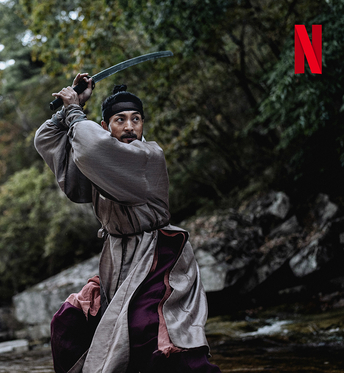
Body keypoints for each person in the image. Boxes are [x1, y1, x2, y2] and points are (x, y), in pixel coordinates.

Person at [34, 73, 221, 373]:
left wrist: (74, 112)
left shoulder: (148, 155)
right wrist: (69, 108)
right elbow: (47, 139)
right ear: (105, 126)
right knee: (69, 319)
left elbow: (93, 148)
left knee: (150, 329)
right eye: (120, 120)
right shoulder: (97, 163)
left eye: (136, 119)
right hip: (117, 260)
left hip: (157, 258)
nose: (130, 126)